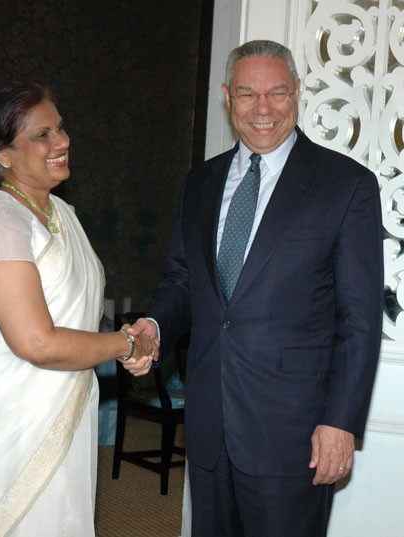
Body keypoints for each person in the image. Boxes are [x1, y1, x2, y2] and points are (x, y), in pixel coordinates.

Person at [130, 40, 383, 536]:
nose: (262, 109)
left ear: (298, 94)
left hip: (295, 432)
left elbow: (358, 319)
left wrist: (341, 422)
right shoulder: (199, 182)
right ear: (227, 97)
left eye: (277, 93)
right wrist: (155, 325)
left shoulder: (346, 185)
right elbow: (184, 280)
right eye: (247, 94)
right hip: (208, 422)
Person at [0, 80, 157, 537]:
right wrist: (127, 344)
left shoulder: (63, 214)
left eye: (61, 129)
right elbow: (37, 342)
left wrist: (130, 343)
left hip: (71, 401)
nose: (62, 141)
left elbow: (78, 317)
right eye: (42, 135)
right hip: (16, 418)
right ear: (3, 154)